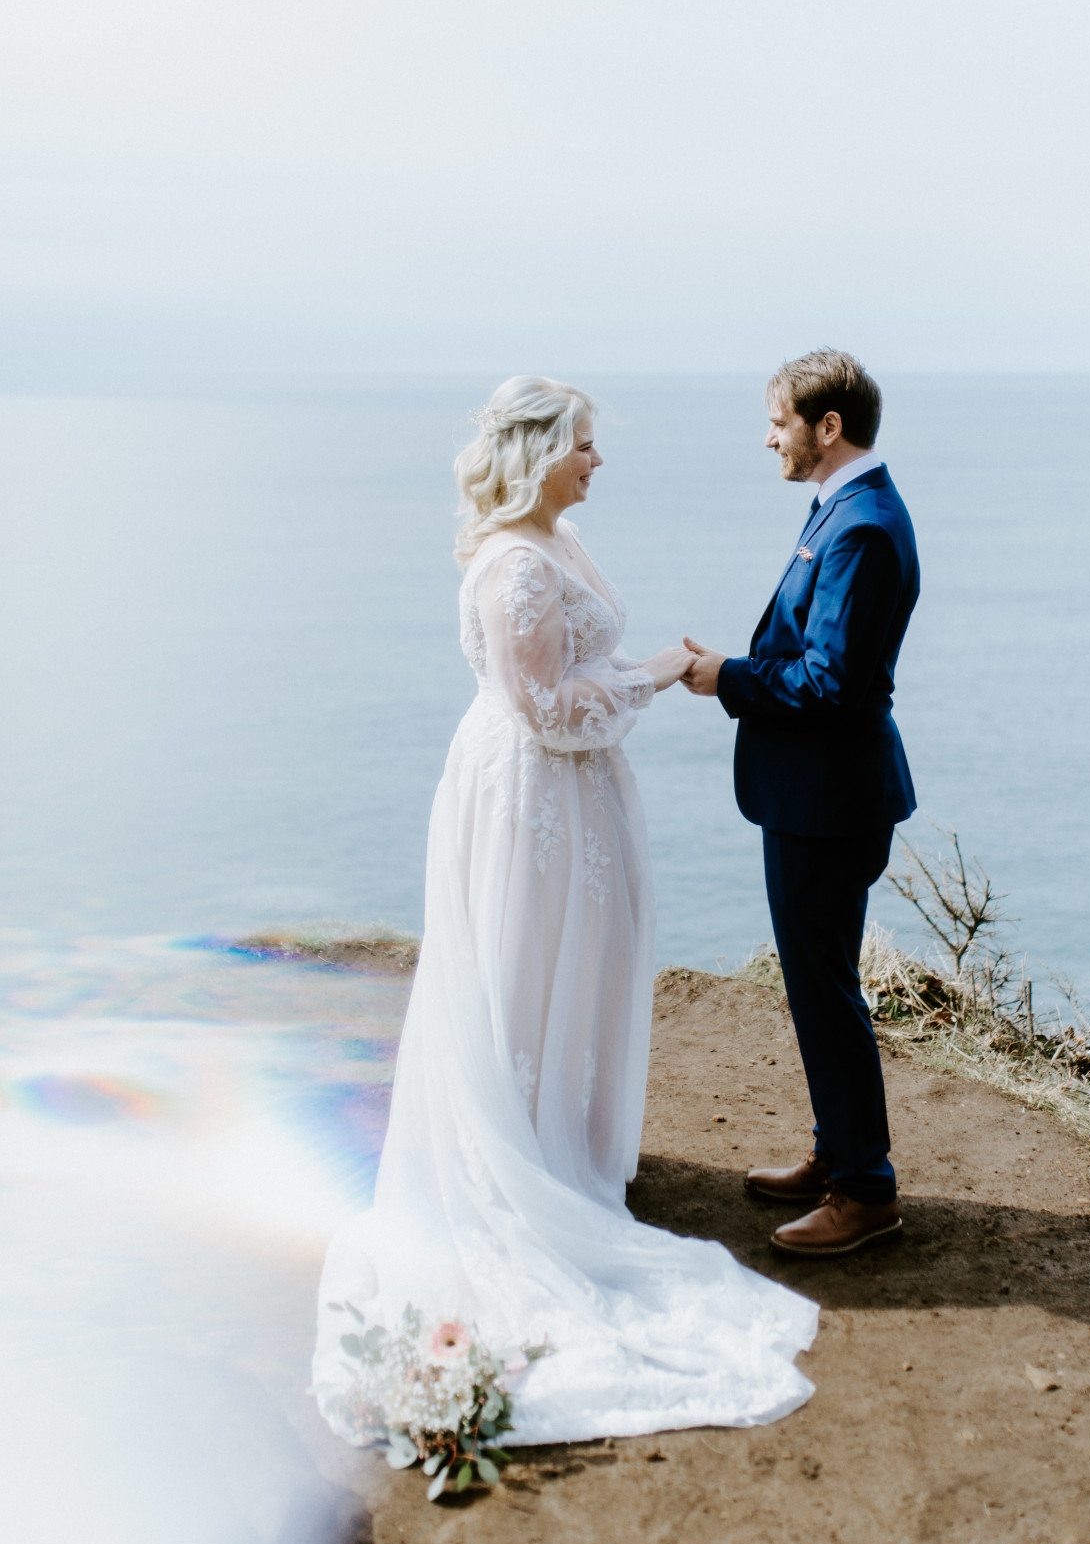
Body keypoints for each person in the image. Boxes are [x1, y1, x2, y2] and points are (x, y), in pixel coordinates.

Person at [313, 377, 817, 1447]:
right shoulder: (511, 565)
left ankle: (568, 1148)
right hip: (532, 795)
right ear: (538, 452)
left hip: (577, 794)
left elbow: (573, 679)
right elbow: (546, 710)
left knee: (585, 962)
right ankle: (531, 1164)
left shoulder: (559, 536)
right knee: (531, 966)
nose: (596, 461)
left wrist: (642, 672)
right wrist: (660, 675)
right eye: (584, 445)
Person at [681, 349, 919, 1259]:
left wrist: (725, 678)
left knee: (826, 995)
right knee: (818, 987)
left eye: (778, 421)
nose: (768, 436)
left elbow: (829, 684)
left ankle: (866, 1193)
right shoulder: (847, 507)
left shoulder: (859, 525)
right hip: (822, 795)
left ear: (828, 428)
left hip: (829, 801)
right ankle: (836, 1155)